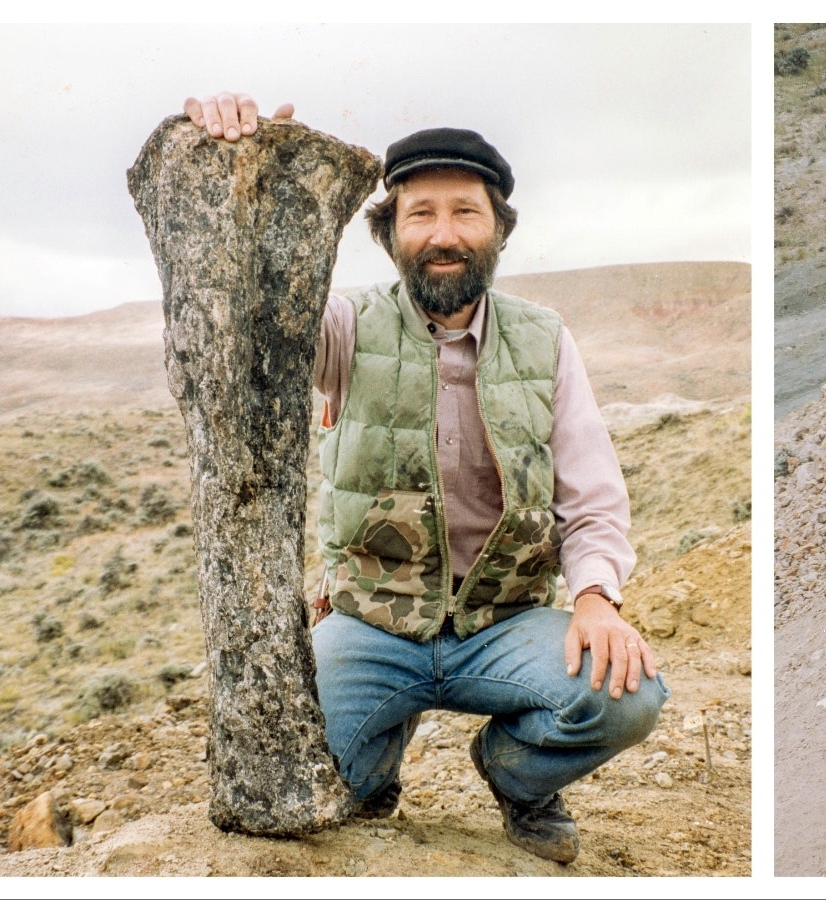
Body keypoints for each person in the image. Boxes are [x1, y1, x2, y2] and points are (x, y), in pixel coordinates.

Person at [183, 93, 668, 865]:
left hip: (502, 624)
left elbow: (593, 493)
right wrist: (243, 164)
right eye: (420, 215)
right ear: (388, 234)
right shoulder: (343, 327)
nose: (444, 236)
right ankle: (375, 763)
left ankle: (518, 777)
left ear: (498, 229)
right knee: (319, 775)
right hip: (375, 623)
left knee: (629, 697)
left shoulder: (545, 339)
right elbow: (245, 325)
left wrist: (596, 598)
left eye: (465, 213)